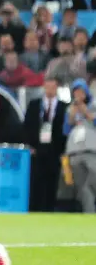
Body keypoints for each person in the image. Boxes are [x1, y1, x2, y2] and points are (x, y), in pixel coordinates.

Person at [23, 78, 68, 212]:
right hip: (37, 149)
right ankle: (34, 209)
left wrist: (63, 151)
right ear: (44, 87)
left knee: (52, 182)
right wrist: (29, 145)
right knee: (36, 180)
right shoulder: (34, 105)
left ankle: (49, 209)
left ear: (56, 88)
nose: (50, 89)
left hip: (55, 151)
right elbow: (26, 127)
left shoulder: (63, 107)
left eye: (52, 87)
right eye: (47, 86)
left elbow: (65, 131)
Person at [63, 79, 96, 213]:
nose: (78, 94)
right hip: (74, 151)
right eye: (76, 92)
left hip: (91, 150)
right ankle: (90, 214)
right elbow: (65, 130)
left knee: (92, 181)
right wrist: (72, 114)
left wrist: (84, 110)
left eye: (81, 91)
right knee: (82, 186)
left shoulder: (94, 105)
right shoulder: (70, 108)